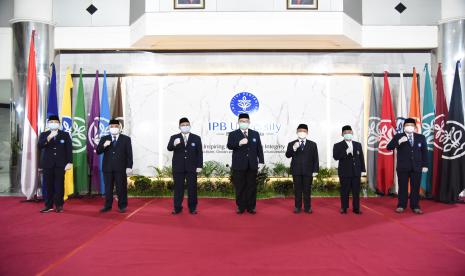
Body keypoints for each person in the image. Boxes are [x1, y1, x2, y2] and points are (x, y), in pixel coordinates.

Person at [387, 118, 428, 214]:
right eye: (407, 125)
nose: (409, 127)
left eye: (411, 125)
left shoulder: (421, 137)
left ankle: (415, 206)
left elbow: (424, 152)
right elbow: (389, 147)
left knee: (415, 187)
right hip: (403, 167)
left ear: (415, 127)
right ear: (404, 127)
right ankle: (401, 205)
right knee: (403, 187)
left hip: (417, 167)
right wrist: (399, 142)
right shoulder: (398, 136)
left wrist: (425, 165)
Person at [227, 113, 264, 214]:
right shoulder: (233, 134)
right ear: (238, 122)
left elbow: (259, 148)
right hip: (239, 165)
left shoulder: (255, 134)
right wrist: (239, 143)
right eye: (242, 121)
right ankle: (240, 206)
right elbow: (229, 145)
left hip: (252, 164)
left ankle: (251, 207)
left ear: (249, 122)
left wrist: (261, 161)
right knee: (240, 186)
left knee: (251, 186)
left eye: (246, 121)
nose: (244, 123)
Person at [167, 117, 203, 214]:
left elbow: (199, 153)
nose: (185, 126)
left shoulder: (196, 138)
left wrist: (199, 165)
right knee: (178, 188)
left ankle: (193, 208)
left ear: (190, 126)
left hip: (192, 167)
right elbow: (169, 148)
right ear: (179, 127)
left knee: (192, 188)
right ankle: (177, 207)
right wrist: (174, 144)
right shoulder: (174, 137)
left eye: (187, 125)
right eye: (183, 125)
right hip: (178, 167)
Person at [96, 119, 133, 213]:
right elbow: (98, 151)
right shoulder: (104, 138)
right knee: (108, 188)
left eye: (116, 126)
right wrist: (104, 145)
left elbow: (129, 154)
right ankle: (108, 206)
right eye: (112, 127)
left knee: (121, 188)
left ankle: (122, 206)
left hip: (121, 168)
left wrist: (129, 166)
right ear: (109, 128)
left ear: (119, 128)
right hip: (107, 168)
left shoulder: (126, 139)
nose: (114, 128)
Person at [38, 115, 73, 213]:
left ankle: (59, 205)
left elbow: (69, 149)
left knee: (59, 185)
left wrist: (70, 162)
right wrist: (49, 137)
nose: (53, 123)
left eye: (55, 122)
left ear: (59, 124)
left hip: (60, 165)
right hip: (47, 164)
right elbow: (40, 146)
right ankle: (48, 205)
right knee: (48, 185)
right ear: (48, 123)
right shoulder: (44, 134)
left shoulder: (65, 135)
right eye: (51, 122)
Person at [285, 124, 319, 213]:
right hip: (296, 170)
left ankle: (308, 207)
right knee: (297, 190)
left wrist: (315, 170)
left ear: (307, 132)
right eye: (300, 131)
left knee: (307, 190)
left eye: (304, 131)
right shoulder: (292, 143)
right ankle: (297, 207)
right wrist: (293, 148)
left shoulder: (313, 144)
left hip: (308, 171)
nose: (302, 133)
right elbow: (288, 155)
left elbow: (315, 158)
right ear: (297, 132)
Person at [333, 125, 366, 215]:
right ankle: (344, 207)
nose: (348, 134)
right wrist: (346, 152)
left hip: (356, 172)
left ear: (352, 133)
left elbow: (361, 157)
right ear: (342, 134)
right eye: (346, 133)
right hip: (344, 172)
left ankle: (356, 208)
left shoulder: (357, 144)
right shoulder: (338, 145)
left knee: (356, 191)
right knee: (344, 190)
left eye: (350, 132)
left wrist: (363, 169)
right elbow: (335, 157)